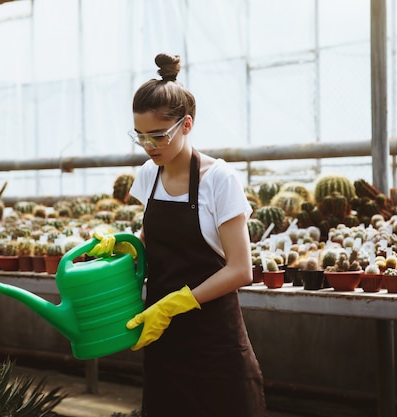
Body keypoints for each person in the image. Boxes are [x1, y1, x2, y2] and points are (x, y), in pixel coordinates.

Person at [124, 53, 267, 416]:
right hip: (164, 340)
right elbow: (150, 244)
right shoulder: (147, 174)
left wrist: (176, 303)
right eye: (140, 136)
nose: (149, 146)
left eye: (158, 135)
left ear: (186, 125)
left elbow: (240, 269)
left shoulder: (218, 180)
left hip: (213, 343)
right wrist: (124, 249)